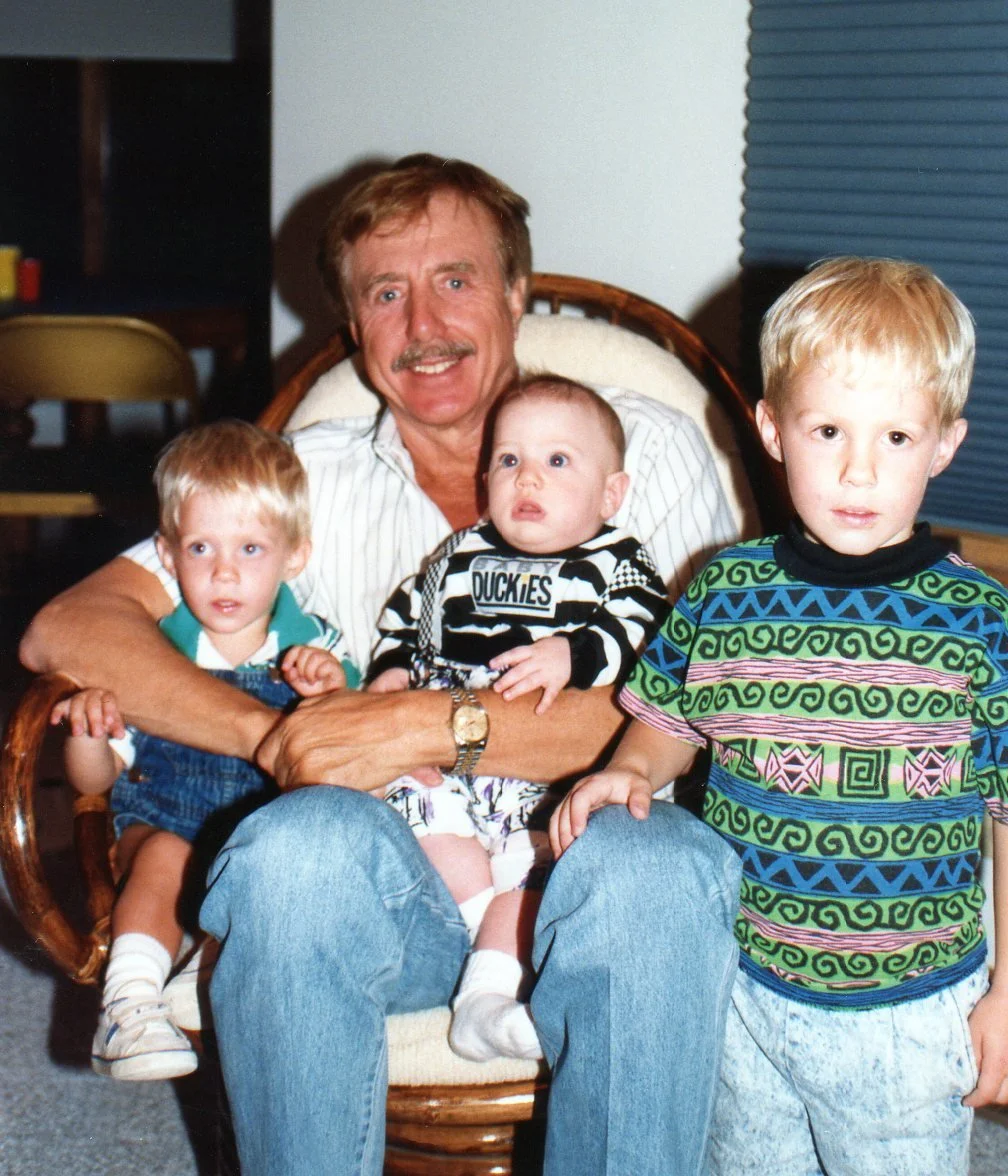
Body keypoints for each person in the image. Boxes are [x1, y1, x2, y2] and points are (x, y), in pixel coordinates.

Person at [21, 155, 742, 1174]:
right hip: (405, 886)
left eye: (455, 279)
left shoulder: (644, 451)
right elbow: (69, 628)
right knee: (292, 851)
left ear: (517, 295)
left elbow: (699, 706)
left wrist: (425, 725)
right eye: (386, 293)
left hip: (593, 873)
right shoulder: (305, 476)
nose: (424, 323)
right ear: (354, 325)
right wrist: (278, 736)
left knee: (657, 869)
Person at [553, 256, 1008, 1174]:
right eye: (828, 429)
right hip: (743, 992)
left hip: (908, 1014)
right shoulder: (726, 588)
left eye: (896, 438)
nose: (857, 469)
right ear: (771, 427)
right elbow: (674, 719)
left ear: (944, 445)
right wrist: (631, 767)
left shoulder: (979, 621)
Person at [368, 374, 669, 1061]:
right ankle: (491, 955)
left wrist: (573, 653)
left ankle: (481, 1000)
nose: (527, 477)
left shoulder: (616, 562)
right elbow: (408, 617)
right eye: (509, 460)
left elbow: (646, 629)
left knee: (532, 880)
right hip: (440, 763)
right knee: (427, 830)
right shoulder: (457, 557)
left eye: (557, 460)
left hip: (541, 775)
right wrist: (392, 669)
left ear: (611, 494)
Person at [51, 420, 357, 1081]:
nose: (224, 571)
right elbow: (93, 782)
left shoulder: (320, 649)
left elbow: (355, 766)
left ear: (295, 557)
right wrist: (88, 732)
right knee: (166, 853)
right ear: (166, 555)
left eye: (251, 548)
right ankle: (128, 1004)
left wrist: (332, 697)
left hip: (261, 854)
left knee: (281, 869)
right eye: (200, 547)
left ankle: (210, 971)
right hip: (159, 830)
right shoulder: (148, 653)